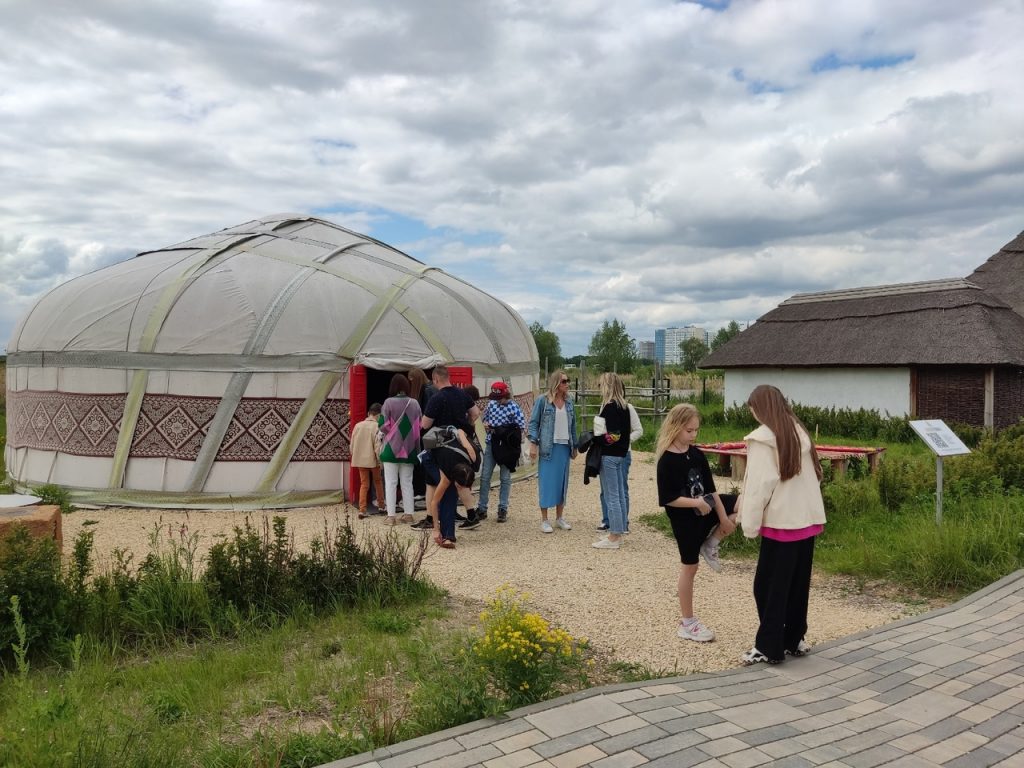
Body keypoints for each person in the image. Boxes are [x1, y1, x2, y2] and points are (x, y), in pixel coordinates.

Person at [738, 384, 826, 665]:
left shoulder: (764, 439)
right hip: (807, 519)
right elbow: (817, 475)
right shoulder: (798, 431)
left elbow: (758, 487)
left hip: (781, 522)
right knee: (797, 585)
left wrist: (749, 525)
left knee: (768, 587)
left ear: (760, 407)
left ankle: (769, 646)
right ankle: (794, 638)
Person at [656, 403, 738, 642]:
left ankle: (711, 542)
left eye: (696, 430)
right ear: (676, 427)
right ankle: (687, 622)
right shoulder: (666, 461)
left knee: (743, 504)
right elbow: (668, 499)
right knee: (690, 568)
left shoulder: (697, 454)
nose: (693, 435)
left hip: (707, 507)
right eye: (689, 431)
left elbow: (711, 491)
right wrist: (696, 504)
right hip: (685, 521)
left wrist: (723, 519)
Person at [417, 366, 480, 531]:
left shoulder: (437, 398)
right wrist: (467, 427)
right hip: (462, 440)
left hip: (441, 441)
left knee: (432, 481)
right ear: (448, 377)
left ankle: (431, 518)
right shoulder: (462, 394)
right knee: (460, 478)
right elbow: (475, 413)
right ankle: (471, 515)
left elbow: (425, 424)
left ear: (436, 379)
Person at [528, 370, 577, 533]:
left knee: (562, 483)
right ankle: (544, 519)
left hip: (564, 446)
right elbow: (534, 423)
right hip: (548, 447)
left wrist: (574, 445)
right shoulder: (543, 401)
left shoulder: (569, 402)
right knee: (547, 482)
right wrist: (533, 444)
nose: (567, 384)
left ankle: (559, 517)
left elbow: (573, 426)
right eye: (564, 381)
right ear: (556, 382)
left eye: (568, 381)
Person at [590, 373, 632, 549]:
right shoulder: (624, 407)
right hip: (621, 454)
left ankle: (614, 535)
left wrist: (596, 439)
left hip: (609, 454)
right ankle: (619, 530)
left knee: (612, 496)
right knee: (620, 494)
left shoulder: (610, 407)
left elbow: (613, 435)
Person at [478, 381, 526, 523]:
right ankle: (482, 508)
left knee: (505, 478)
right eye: (496, 398)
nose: (498, 400)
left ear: (506, 395)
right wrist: (486, 425)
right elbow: (484, 418)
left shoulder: (513, 407)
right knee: (485, 476)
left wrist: (504, 430)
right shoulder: (491, 404)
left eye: (500, 398)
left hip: (506, 447)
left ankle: (503, 508)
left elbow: (521, 426)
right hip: (491, 443)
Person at [379, 373, 422, 525]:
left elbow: (383, 425)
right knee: (407, 482)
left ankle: (391, 517)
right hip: (409, 449)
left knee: (390, 482)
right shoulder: (415, 403)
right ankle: (408, 514)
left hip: (391, 448)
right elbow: (419, 426)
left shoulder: (388, 403)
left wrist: (392, 432)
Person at [425, 425, 478, 548]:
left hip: (448, 453)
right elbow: (434, 502)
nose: (461, 489)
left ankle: (448, 535)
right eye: (460, 485)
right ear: (453, 479)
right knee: (448, 494)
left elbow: (460, 431)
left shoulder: (473, 459)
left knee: (451, 494)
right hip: (431, 458)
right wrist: (435, 529)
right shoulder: (447, 477)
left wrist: (458, 433)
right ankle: (446, 536)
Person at [598, 401, 643, 533]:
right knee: (605, 489)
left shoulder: (628, 407)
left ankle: (623, 523)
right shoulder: (604, 406)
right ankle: (608, 520)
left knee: (621, 490)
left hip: (623, 452)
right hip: (607, 451)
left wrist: (625, 440)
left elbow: (639, 430)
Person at [350, 402, 386, 519]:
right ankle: (381, 506)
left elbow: (352, 445)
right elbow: (378, 446)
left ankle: (362, 510)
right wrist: (381, 461)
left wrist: (354, 455)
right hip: (373, 460)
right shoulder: (377, 427)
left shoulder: (358, 425)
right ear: (379, 415)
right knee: (378, 482)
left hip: (360, 459)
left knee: (364, 484)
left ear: (368, 413)